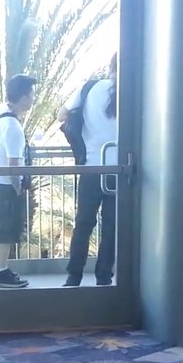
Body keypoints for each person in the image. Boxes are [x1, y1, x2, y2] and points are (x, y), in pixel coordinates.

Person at [58, 54, 118, 287]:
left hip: (91, 165)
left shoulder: (89, 88)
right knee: (111, 227)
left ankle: (74, 276)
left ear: (110, 65)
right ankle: (104, 277)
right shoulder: (133, 92)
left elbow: (61, 114)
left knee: (84, 223)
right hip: (119, 169)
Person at [0, 75, 37, 288]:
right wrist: (18, 187)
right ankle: (2, 273)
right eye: (31, 95)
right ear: (23, 98)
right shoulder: (13, 127)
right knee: (5, 228)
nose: (33, 99)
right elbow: (14, 165)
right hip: (4, 184)